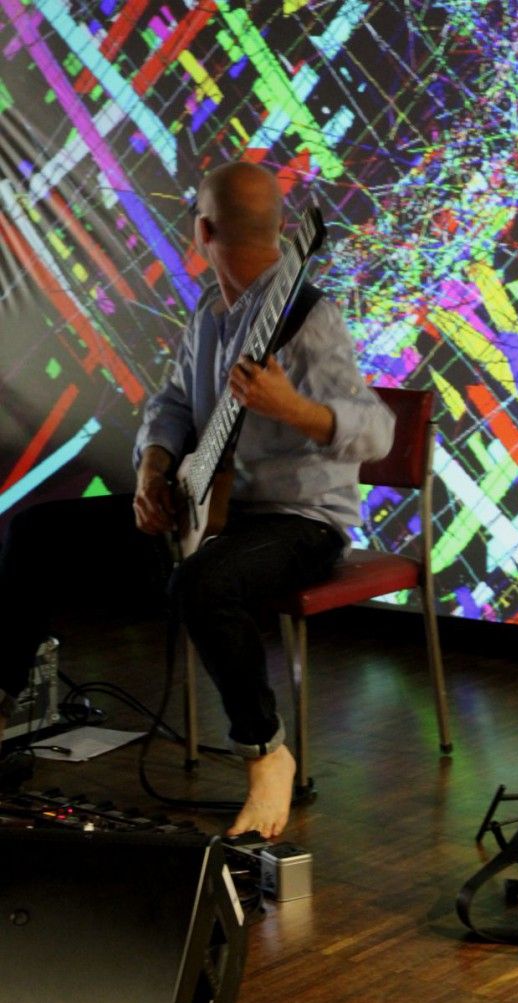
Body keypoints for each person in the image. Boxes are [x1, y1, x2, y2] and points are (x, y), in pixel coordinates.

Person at [132, 161, 395, 839]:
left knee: (203, 584)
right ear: (278, 226)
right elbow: (171, 404)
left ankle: (266, 753)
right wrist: (154, 467)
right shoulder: (209, 313)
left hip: (300, 523)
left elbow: (378, 431)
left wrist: (294, 408)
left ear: (202, 231)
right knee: (38, 537)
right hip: (214, 511)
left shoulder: (307, 314)